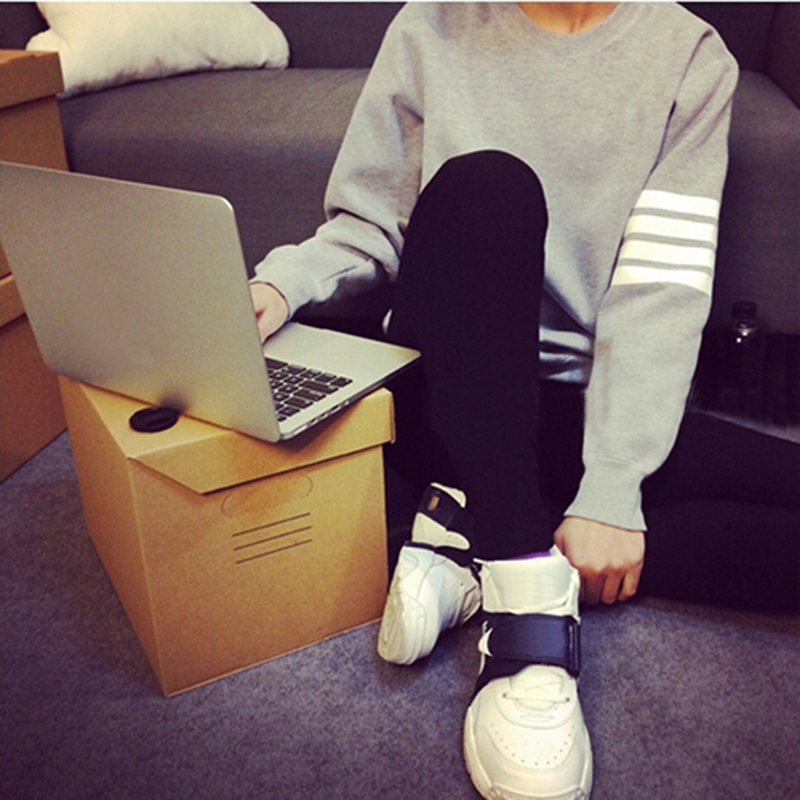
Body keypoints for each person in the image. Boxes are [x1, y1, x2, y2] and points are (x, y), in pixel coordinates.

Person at [249, 4, 800, 798]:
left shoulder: (688, 55)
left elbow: (659, 290)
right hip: (444, 386)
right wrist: (281, 284)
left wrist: (612, 487)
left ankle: (463, 532)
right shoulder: (431, 25)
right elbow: (371, 224)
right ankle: (523, 612)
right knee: (489, 185)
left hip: (568, 407)